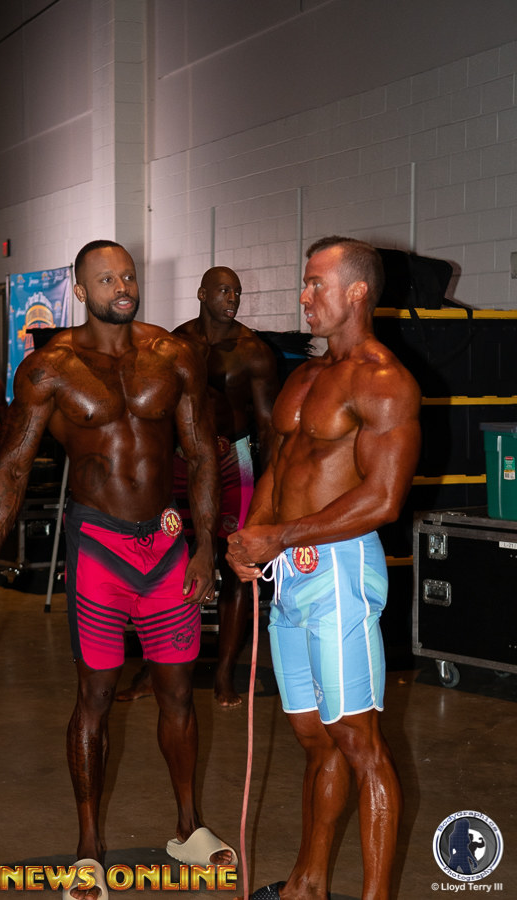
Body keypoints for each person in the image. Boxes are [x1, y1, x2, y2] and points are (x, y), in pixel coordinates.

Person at [0, 241, 237, 899]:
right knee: (94, 697)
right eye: (107, 278)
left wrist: (205, 546)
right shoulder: (50, 368)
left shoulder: (175, 355)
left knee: (179, 694)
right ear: (82, 292)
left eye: (128, 275)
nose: (123, 286)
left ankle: (189, 828)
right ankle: (88, 850)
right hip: (98, 550)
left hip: (165, 549)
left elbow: (202, 453)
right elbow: (12, 466)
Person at [226, 236, 422, 900]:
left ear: (357, 291)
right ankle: (307, 884)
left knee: (359, 740)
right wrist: (251, 535)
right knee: (315, 737)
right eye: (304, 283)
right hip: (287, 574)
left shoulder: (383, 380)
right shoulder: (304, 376)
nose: (304, 296)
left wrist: (281, 534)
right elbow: (280, 465)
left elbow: (384, 498)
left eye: (317, 284)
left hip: (338, 569)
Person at [117, 265, 279, 707]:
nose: (233, 299)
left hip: (233, 461)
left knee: (236, 564)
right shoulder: (175, 343)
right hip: (181, 459)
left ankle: (225, 672)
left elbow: (269, 425)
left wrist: (272, 487)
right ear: (202, 293)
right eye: (224, 291)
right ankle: (153, 670)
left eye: (237, 292)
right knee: (165, 563)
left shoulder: (254, 352)